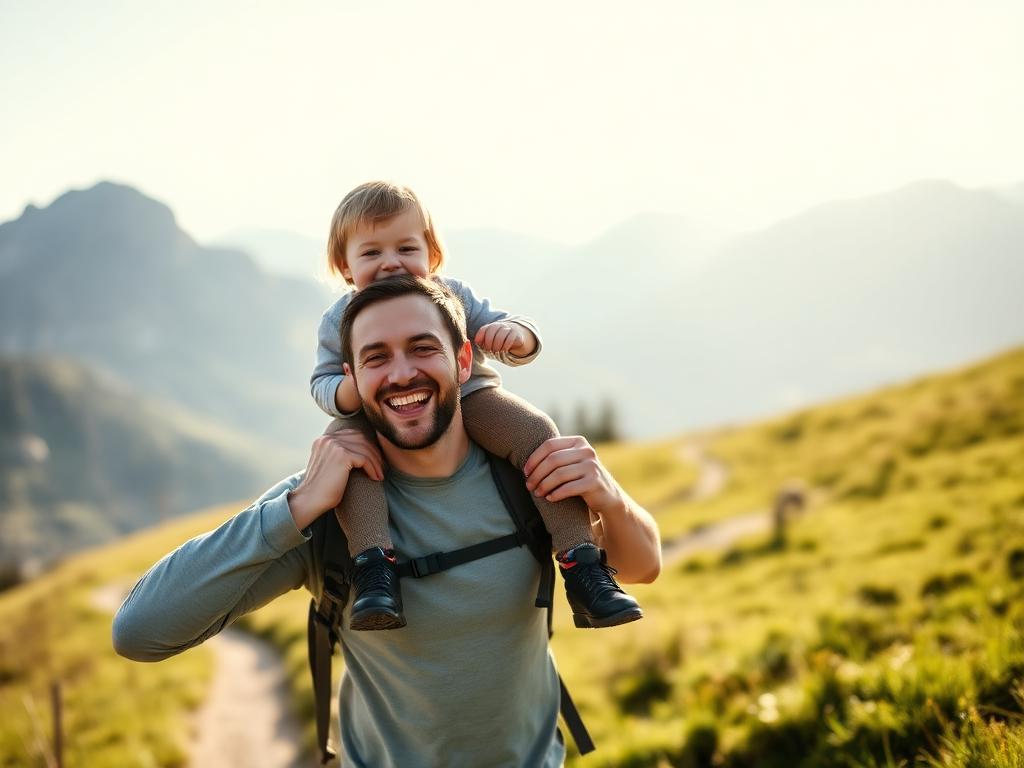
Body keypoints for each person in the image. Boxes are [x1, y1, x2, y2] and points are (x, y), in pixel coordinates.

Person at [113, 275, 662, 767]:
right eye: (376, 358)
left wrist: (611, 501)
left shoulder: (526, 476)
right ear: (350, 378)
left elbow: (642, 568)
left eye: (423, 349)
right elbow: (139, 632)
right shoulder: (329, 509)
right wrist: (298, 507)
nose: (402, 374)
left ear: (464, 361)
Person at [310, 181, 642, 631]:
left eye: (406, 247)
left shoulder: (453, 295)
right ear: (343, 266)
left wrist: (516, 338)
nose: (391, 262)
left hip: (471, 398)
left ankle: (581, 564)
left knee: (535, 433)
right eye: (371, 253)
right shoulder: (338, 321)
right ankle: (374, 570)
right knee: (346, 458)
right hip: (374, 413)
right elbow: (323, 382)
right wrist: (353, 392)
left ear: (432, 254)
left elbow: (507, 325)